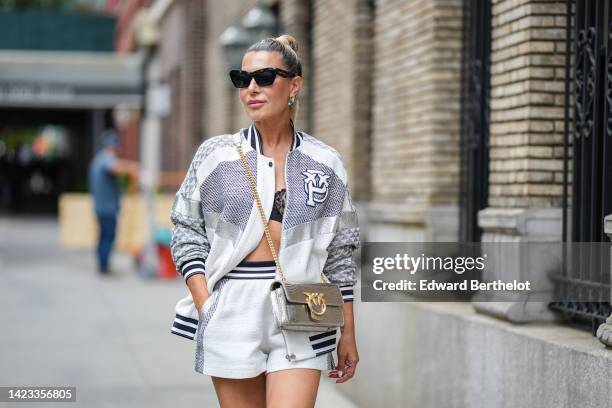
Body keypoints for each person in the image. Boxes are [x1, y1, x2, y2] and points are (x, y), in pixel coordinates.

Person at [169, 34, 360, 407]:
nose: (252, 88)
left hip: (305, 306)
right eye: (243, 79)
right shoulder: (217, 155)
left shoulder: (326, 162)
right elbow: (186, 228)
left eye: (265, 77)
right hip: (233, 307)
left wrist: (348, 332)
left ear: (294, 85)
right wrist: (206, 303)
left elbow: (341, 253)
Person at [88, 130, 139, 275]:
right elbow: (113, 167)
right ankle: (104, 266)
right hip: (107, 208)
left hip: (101, 207)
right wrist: (131, 168)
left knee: (103, 236)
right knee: (107, 237)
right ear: (113, 147)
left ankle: (102, 264)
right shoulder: (106, 160)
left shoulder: (97, 160)